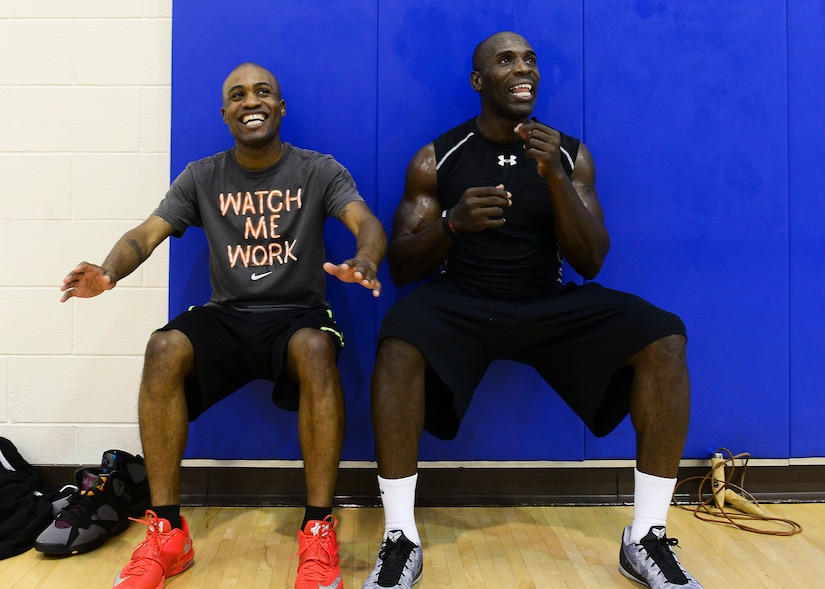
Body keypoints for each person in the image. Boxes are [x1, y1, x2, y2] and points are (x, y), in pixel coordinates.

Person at [362, 32, 703, 589]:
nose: (523, 69)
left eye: (530, 60)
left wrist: (556, 181)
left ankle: (646, 536)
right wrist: (452, 224)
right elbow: (401, 267)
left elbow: (591, 260)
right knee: (399, 341)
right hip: (463, 300)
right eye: (506, 61)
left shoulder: (568, 153)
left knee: (664, 336)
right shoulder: (436, 157)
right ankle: (400, 538)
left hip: (547, 300)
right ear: (479, 82)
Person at [60, 62, 386, 589]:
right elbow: (147, 233)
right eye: (237, 95)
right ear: (225, 112)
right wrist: (108, 271)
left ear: (281, 107)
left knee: (316, 350)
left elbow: (364, 221)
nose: (250, 101)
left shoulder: (318, 170)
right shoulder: (202, 175)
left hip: (296, 315)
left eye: (263, 92)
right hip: (229, 314)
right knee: (163, 347)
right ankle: (168, 532)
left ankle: (319, 528)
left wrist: (366, 258)